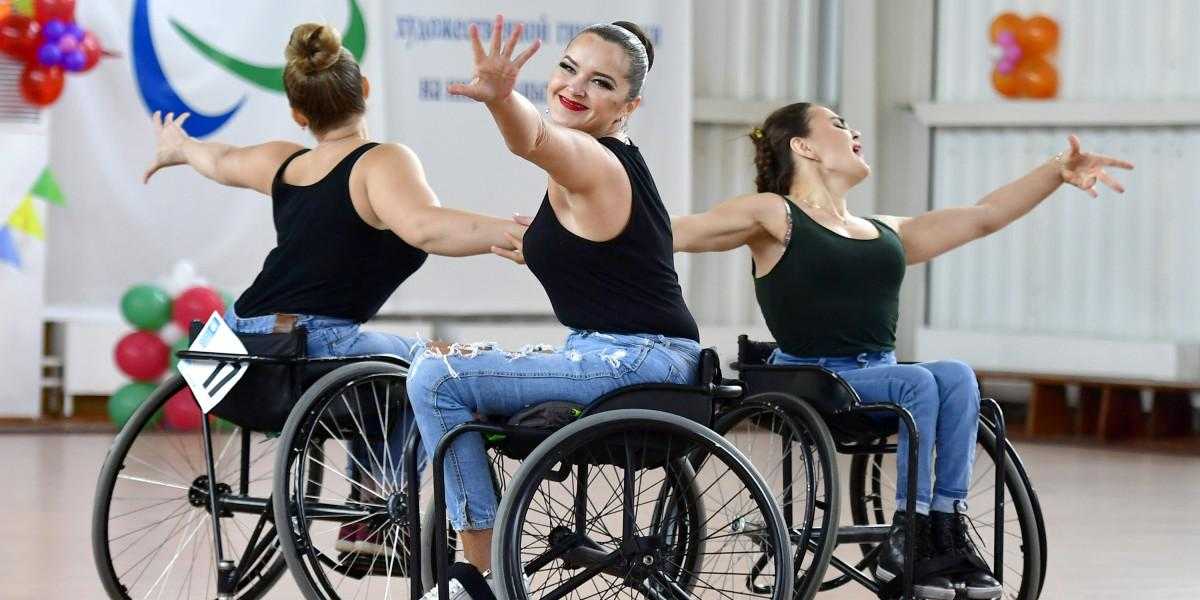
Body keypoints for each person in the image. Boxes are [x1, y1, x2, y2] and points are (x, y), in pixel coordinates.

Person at [671, 102, 1133, 599]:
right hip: (809, 380)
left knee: (955, 374)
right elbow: (682, 230)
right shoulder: (774, 213)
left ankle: (946, 528)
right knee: (917, 382)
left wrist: (1055, 171)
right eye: (838, 124)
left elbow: (984, 217)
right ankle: (908, 535)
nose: (854, 130)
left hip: (878, 378)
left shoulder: (884, 231)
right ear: (803, 146)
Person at [142, 22, 524, 557]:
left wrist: (179, 147)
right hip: (310, 346)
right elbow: (424, 227)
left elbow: (220, 160)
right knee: (439, 367)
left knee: (393, 366)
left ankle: (371, 507)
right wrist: (517, 234)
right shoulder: (380, 161)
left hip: (234, 344)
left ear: (299, 114)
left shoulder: (283, 161)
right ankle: (374, 509)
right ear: (364, 88)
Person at [404, 15, 701, 590]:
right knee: (441, 365)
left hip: (637, 361)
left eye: (601, 83)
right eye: (569, 68)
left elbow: (534, 140)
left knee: (436, 378)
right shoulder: (598, 158)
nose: (576, 87)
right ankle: (489, 555)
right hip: (623, 354)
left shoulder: (594, 158)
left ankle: (483, 576)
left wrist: (500, 99)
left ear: (627, 108)